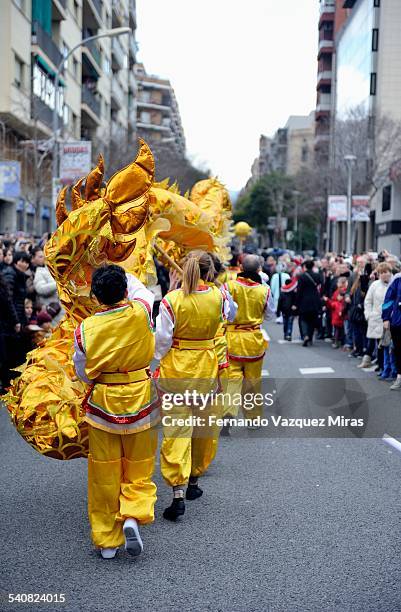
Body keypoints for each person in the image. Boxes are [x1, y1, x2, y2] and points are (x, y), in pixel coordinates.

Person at [73, 264, 159, 559]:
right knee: (139, 466)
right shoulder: (141, 312)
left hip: (103, 404)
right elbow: (143, 291)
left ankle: (107, 541)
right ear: (125, 291)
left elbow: (82, 372)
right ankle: (132, 516)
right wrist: (122, 267)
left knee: (104, 473)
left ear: (95, 297)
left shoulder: (84, 329)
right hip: (141, 399)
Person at [155, 250, 231, 521]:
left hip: (176, 370)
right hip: (206, 371)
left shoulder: (171, 300)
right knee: (203, 427)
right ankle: (194, 479)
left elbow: (161, 341)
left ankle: (177, 492)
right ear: (210, 271)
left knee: (176, 431)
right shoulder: (219, 297)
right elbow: (223, 325)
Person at [225, 254, 274, 423]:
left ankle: (228, 412)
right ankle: (253, 418)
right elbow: (270, 315)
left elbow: (225, 313)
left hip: (232, 339)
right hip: (254, 339)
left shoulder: (228, 286)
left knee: (232, 378)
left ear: (241, 267)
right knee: (253, 382)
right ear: (259, 269)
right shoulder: (264, 290)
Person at [360, 262, 392, 370]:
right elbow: (368, 301)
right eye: (381, 273)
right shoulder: (375, 285)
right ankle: (381, 365)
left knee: (387, 343)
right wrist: (368, 315)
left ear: (390, 272)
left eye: (385, 272)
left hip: (390, 318)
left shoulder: (394, 283)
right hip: (376, 318)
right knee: (378, 342)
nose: (383, 274)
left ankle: (387, 367)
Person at [296, 260, 322, 347]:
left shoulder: (302, 277)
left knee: (303, 319)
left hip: (304, 300)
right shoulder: (317, 276)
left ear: (305, 267)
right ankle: (310, 337)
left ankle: (305, 335)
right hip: (315, 300)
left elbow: (299, 291)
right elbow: (321, 285)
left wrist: (296, 302)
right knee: (312, 320)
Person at [382, 271, 401, 389]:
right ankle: (399, 378)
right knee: (398, 350)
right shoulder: (398, 279)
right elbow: (388, 299)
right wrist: (386, 318)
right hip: (398, 322)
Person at [277, 277, 297, 341]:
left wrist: (278, 311)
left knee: (285, 323)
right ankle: (289, 334)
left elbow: (279, 302)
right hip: (291, 310)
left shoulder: (282, 291)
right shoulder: (293, 292)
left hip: (284, 310)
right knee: (290, 323)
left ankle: (286, 334)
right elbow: (296, 301)